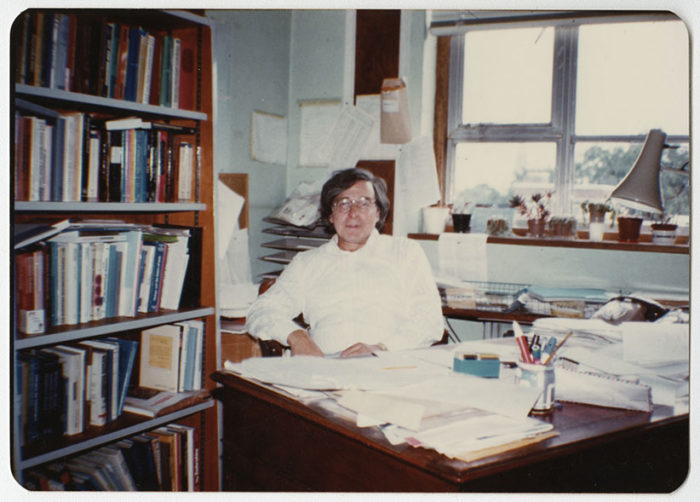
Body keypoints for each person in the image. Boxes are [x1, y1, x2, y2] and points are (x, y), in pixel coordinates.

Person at [246, 168, 444, 357]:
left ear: (378, 213)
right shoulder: (307, 263)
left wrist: (382, 349)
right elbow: (262, 310)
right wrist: (297, 336)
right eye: (344, 203)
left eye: (364, 203)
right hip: (323, 369)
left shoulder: (405, 253)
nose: (353, 213)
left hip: (388, 367)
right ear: (330, 216)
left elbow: (430, 320)